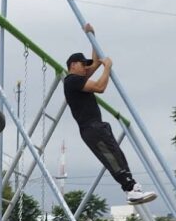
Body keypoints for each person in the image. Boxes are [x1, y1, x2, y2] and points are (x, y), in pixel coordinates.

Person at [64, 23, 156, 206]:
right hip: (90, 127)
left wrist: (92, 37)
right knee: (112, 158)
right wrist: (108, 67)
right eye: (83, 65)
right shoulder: (72, 80)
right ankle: (129, 190)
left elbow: (96, 63)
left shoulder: (78, 77)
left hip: (96, 126)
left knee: (117, 154)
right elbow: (100, 87)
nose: (86, 69)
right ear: (73, 65)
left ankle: (133, 187)